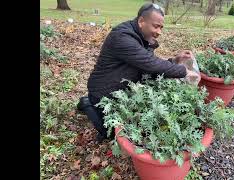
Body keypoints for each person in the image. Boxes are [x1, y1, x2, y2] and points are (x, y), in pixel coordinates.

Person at [77, 3, 198, 143]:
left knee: (130, 127)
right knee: (112, 135)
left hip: (120, 87)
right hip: (103, 91)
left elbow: (147, 62)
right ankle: (87, 104)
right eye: (156, 26)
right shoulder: (122, 37)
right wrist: (183, 71)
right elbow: (150, 64)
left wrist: (175, 60)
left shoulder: (140, 36)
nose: (159, 32)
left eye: (161, 27)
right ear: (141, 21)